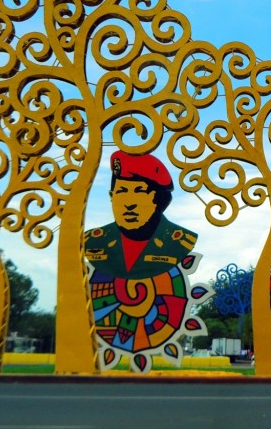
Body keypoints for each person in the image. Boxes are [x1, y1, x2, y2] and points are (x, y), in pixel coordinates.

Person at [83, 150, 200, 365]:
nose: (129, 202)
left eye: (139, 191)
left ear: (157, 199)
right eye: (121, 191)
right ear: (111, 196)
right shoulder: (93, 242)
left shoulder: (178, 242)